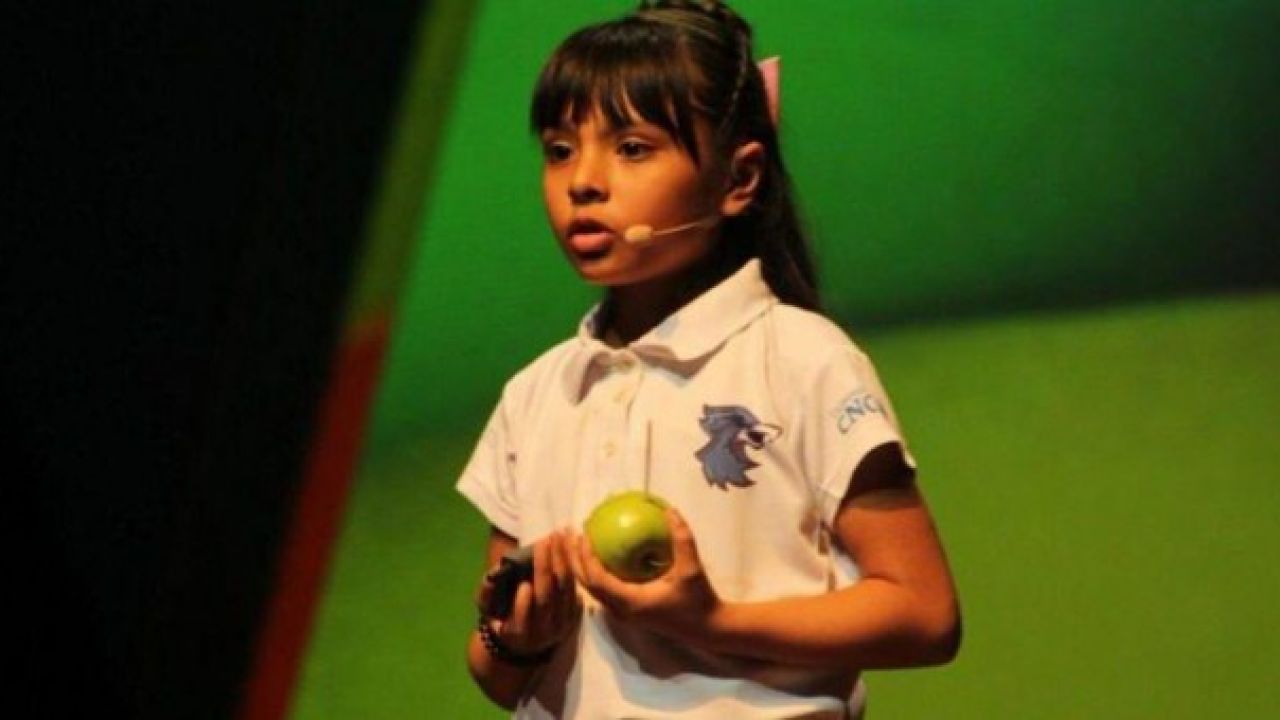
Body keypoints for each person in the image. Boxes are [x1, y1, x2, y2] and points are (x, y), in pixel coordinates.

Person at [457, 1, 961, 717]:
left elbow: (925, 613)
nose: (583, 182)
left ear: (739, 179)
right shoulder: (535, 394)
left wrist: (710, 621)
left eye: (632, 148)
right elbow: (495, 675)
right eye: (560, 149)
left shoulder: (804, 359)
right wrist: (517, 639)